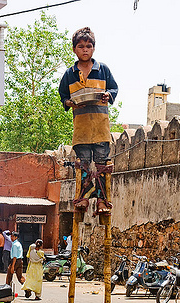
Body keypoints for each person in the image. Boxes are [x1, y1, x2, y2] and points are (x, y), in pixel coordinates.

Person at [58, 27, 118, 215]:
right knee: (83, 164)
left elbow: (114, 89)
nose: (85, 49)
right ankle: (83, 198)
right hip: (82, 128)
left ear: (93, 49)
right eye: (81, 46)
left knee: (101, 166)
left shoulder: (103, 70)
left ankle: (101, 202)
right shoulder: (70, 73)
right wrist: (69, 102)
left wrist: (109, 95)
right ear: (74, 49)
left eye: (88, 46)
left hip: (100, 126)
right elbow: (63, 95)